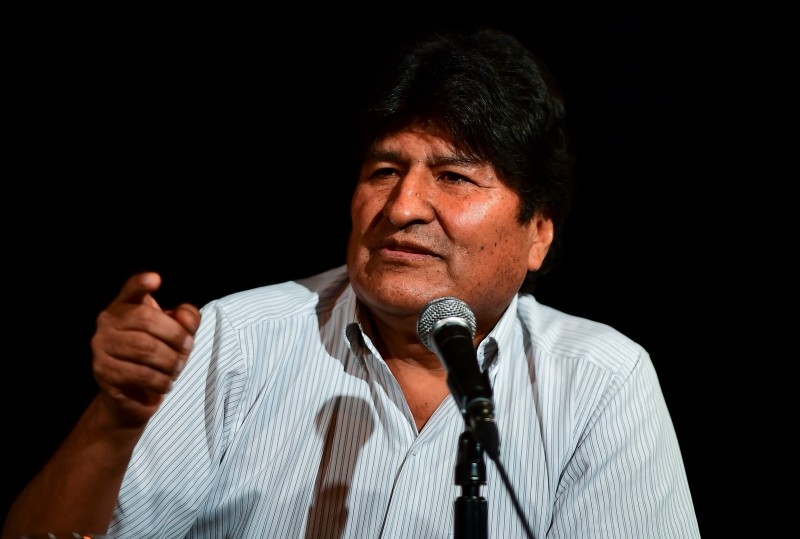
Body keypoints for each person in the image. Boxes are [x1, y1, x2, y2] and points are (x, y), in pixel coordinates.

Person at [1, 27, 699, 538]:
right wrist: (114, 420)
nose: (400, 208)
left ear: (538, 230)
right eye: (383, 171)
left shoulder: (601, 382)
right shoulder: (235, 340)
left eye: (453, 177)